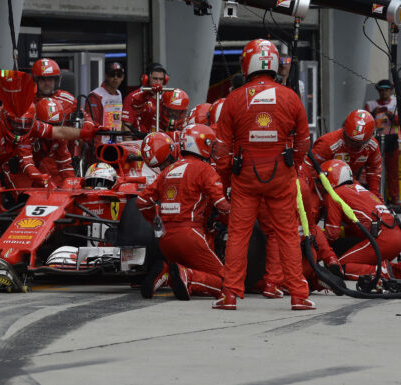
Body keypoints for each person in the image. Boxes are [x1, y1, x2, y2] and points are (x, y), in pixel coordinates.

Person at [214, 39, 314, 310]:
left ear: (248, 63)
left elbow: (221, 149)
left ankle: (230, 295)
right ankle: (298, 296)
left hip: (245, 176)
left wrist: (226, 180)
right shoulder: (290, 96)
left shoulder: (234, 98)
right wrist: (292, 165)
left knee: (237, 235)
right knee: (288, 235)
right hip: (281, 175)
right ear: (273, 63)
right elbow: (304, 142)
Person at [0, 70, 102, 214]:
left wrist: (86, 133)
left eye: (26, 124)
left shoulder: (38, 126)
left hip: (9, 167)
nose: (21, 128)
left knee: (52, 195)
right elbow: (24, 164)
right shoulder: (9, 132)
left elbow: (61, 136)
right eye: (17, 124)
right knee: (20, 201)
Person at [137, 124, 229, 300]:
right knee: (228, 283)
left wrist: (157, 221)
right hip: (190, 235)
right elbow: (221, 203)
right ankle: (189, 277)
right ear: (201, 145)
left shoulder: (167, 171)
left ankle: (167, 274)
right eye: (210, 143)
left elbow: (141, 202)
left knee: (186, 270)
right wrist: (238, 219)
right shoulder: (205, 169)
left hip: (165, 240)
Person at [319, 159, 401, 280]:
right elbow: (361, 225)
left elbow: (332, 233)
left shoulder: (335, 194)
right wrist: (344, 232)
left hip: (381, 238)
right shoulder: (358, 188)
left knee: (339, 268)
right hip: (395, 236)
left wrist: (316, 239)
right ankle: (396, 270)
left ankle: (380, 272)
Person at [304, 109, 382, 199]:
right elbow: (308, 169)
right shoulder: (328, 143)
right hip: (322, 186)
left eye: (359, 143)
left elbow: (374, 169)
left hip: (349, 183)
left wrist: (374, 194)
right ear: (344, 131)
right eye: (350, 140)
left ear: (370, 138)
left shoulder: (372, 146)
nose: (353, 145)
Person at [364, 79, 399, 204]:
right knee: (375, 170)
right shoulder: (371, 104)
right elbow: (365, 121)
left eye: (387, 90)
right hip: (376, 140)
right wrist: (373, 113)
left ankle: (394, 198)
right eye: (382, 90)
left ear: (391, 90)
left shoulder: (396, 103)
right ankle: (374, 197)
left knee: (392, 172)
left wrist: (392, 116)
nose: (384, 92)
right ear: (378, 91)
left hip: (392, 140)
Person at [122, 62, 168, 134]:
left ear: (165, 80)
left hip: (158, 141)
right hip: (138, 141)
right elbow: (126, 127)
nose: (158, 82)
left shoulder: (165, 98)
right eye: (155, 79)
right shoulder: (133, 97)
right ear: (146, 79)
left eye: (161, 79)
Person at [85, 62, 125, 143]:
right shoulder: (95, 95)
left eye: (119, 75)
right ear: (106, 76)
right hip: (101, 144)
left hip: (117, 141)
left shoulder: (119, 94)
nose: (115, 78)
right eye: (112, 74)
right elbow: (91, 124)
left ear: (123, 77)